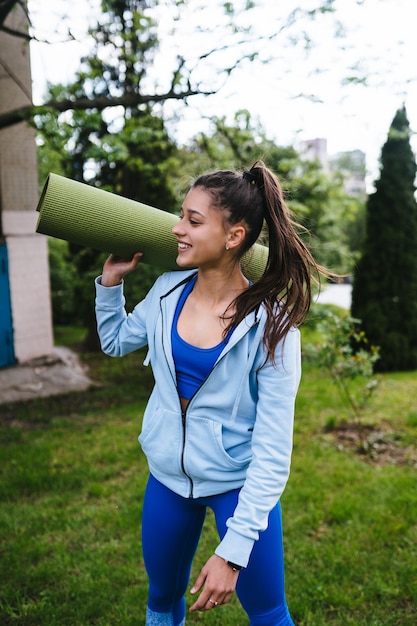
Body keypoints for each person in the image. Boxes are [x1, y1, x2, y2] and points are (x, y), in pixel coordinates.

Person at [95, 160, 324, 625]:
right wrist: (110, 283)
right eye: (181, 216)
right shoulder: (165, 292)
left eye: (193, 221)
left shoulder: (274, 328)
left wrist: (234, 550)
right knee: (161, 598)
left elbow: (274, 449)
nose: (176, 229)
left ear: (234, 236)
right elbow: (116, 341)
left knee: (268, 613)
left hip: (237, 485)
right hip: (167, 479)